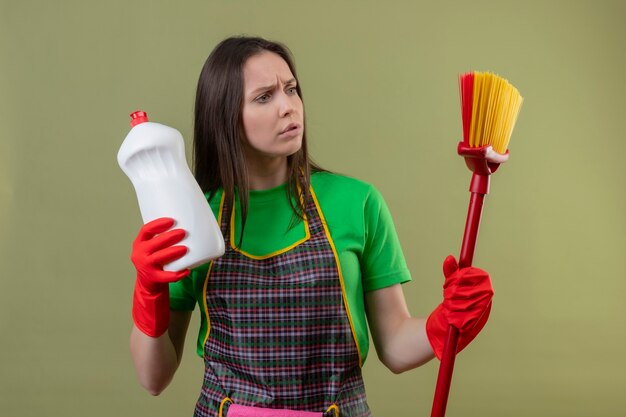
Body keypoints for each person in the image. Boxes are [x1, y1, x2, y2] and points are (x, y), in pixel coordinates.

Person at [128, 36, 493, 417]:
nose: (288, 107)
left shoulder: (357, 203)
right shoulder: (193, 220)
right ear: (225, 116)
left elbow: (396, 347)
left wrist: (445, 322)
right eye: (264, 97)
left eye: (291, 89)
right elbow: (154, 378)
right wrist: (148, 290)